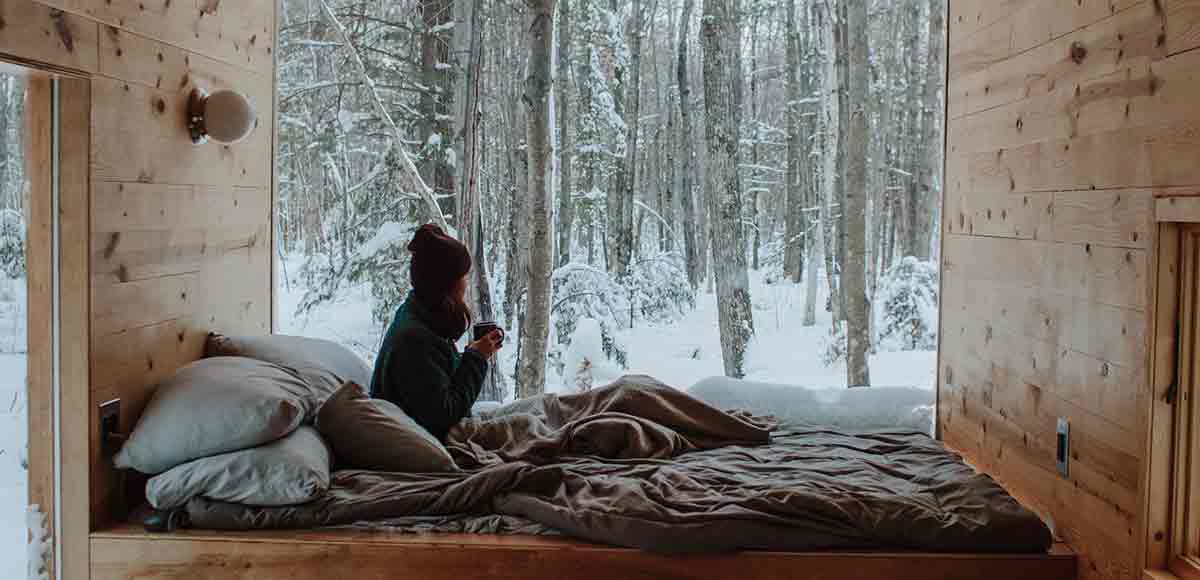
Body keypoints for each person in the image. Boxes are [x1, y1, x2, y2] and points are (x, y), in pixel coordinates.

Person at [369, 224, 504, 441]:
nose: (466, 283)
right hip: (420, 441)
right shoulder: (414, 341)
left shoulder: (419, 313)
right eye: (464, 276)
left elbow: (432, 380)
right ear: (448, 284)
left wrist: (470, 354)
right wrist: (476, 359)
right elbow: (444, 414)